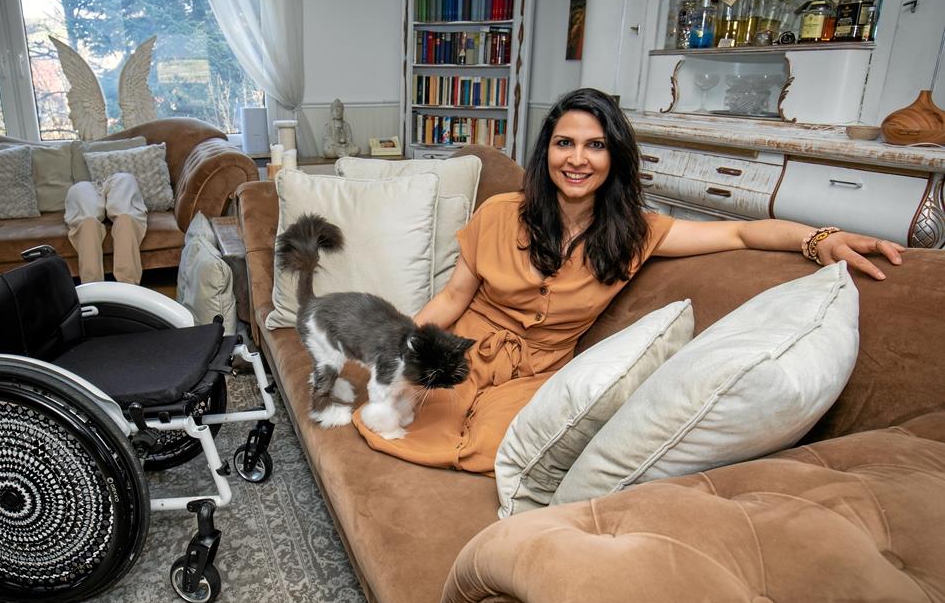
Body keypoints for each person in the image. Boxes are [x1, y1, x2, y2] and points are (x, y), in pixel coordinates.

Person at [352, 87, 905, 474]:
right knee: (402, 421)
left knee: (502, 451)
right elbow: (452, 298)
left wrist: (821, 239)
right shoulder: (500, 212)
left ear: (614, 157)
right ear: (546, 150)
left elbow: (740, 235)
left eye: (595, 145)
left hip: (539, 373)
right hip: (463, 347)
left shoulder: (637, 233)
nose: (577, 159)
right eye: (564, 143)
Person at [64, 172, 147, 284]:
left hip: (119, 179)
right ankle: (93, 288)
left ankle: (128, 286)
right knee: (88, 221)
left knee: (125, 218)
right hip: (82, 186)